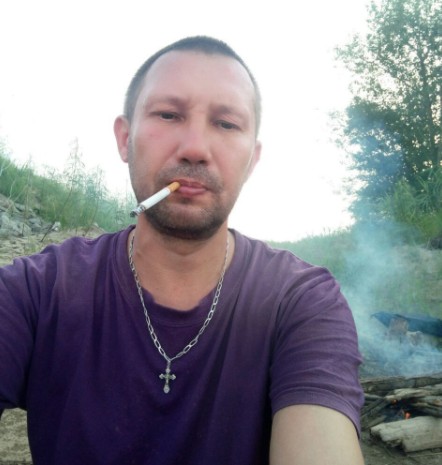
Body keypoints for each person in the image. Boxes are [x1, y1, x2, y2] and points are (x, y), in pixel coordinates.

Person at [0, 36, 365, 465]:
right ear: (125, 138)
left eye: (226, 124)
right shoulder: (37, 291)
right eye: (169, 115)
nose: (195, 148)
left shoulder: (301, 303)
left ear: (252, 160)